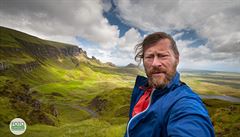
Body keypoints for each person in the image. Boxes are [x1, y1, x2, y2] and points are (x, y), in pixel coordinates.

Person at [124, 32, 215, 137]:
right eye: (149, 57)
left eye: (162, 56)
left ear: (177, 59)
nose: (155, 63)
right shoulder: (142, 88)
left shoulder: (184, 102)